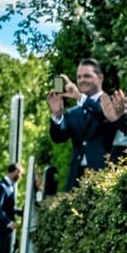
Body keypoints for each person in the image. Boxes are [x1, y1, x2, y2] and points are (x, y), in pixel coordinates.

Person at [47, 58, 121, 192]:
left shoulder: (111, 102)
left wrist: (80, 98)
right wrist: (57, 114)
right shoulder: (72, 113)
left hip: (104, 173)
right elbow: (58, 137)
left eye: (87, 76)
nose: (81, 80)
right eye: (79, 77)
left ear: (100, 78)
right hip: (77, 177)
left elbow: (103, 115)